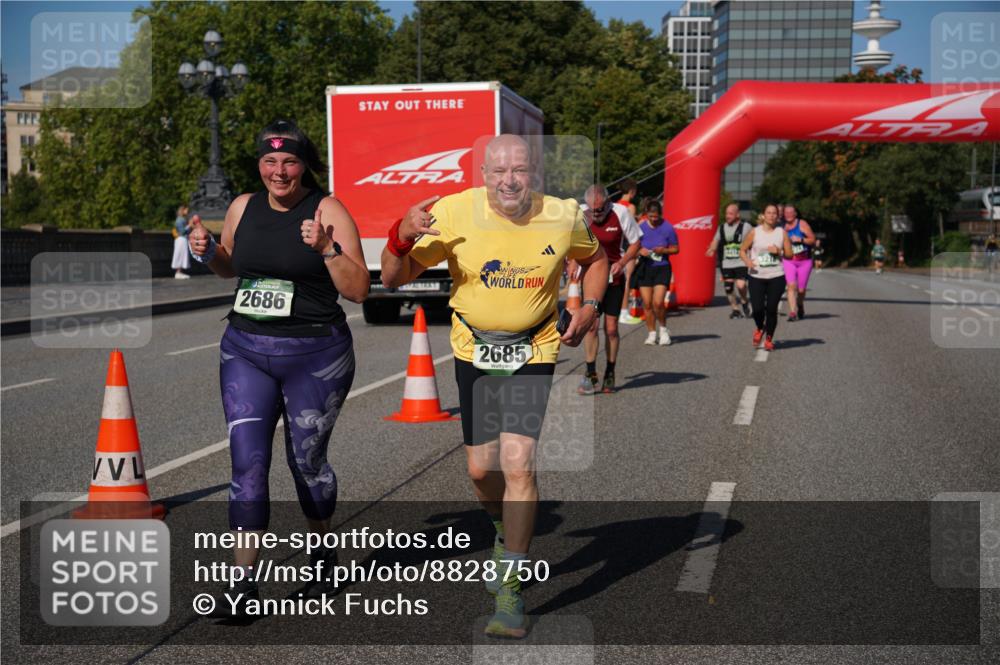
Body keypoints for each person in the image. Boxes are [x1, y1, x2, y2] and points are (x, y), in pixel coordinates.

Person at [381, 134, 607, 638]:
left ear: (535, 175)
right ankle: (505, 534)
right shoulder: (454, 213)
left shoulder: (563, 215)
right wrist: (399, 234)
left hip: (534, 346)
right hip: (474, 348)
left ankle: (511, 589)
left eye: (520, 170)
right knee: (482, 470)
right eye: (499, 170)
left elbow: (597, 260)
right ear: (483, 174)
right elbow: (393, 279)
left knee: (518, 463)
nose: (509, 180)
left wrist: (590, 308)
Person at [188, 119, 369, 617]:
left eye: (288, 160)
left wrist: (326, 249)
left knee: (306, 463)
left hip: (317, 355)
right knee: (247, 464)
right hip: (244, 349)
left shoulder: (327, 209)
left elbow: (359, 290)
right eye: (269, 161)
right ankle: (243, 586)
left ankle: (321, 548)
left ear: (304, 163)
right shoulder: (243, 206)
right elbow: (231, 266)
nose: (279, 171)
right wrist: (207, 253)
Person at [573, 184, 642, 394]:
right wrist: (573, 262)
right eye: (594, 210)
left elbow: (636, 243)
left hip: (614, 277)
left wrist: (622, 262)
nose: (597, 213)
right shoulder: (581, 214)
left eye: (600, 209)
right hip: (592, 278)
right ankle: (590, 374)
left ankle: (610, 371)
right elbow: (571, 243)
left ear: (607, 203)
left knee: (611, 328)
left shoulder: (620, 213)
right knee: (591, 326)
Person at [740, 203, 793, 351]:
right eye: (768, 213)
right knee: (757, 309)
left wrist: (779, 251)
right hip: (756, 276)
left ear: (778, 216)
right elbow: (742, 250)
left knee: (771, 309)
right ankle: (759, 328)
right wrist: (747, 261)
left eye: (774, 213)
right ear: (763, 215)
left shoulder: (781, 233)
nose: (771, 215)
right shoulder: (754, 232)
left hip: (776, 276)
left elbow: (790, 254)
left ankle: (769, 338)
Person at [634, 200, 679, 345]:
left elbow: (676, 248)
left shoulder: (668, 228)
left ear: (660, 214)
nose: (654, 219)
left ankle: (664, 330)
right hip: (645, 267)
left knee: (658, 302)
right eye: (651, 216)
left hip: (662, 267)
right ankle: (651, 333)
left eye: (656, 217)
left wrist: (664, 250)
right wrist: (640, 250)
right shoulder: (640, 227)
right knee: (647, 304)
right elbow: (633, 245)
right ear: (646, 215)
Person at [705, 202, 752, 319]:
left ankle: (745, 301)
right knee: (728, 287)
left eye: (731, 214)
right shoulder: (721, 227)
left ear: (737, 215)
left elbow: (755, 238)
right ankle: (735, 309)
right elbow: (716, 240)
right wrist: (712, 248)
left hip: (741, 261)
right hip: (727, 263)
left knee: (741, 285)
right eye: (726, 213)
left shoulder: (746, 227)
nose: (728, 216)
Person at [781, 204, 816, 321]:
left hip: (804, 261)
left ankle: (800, 305)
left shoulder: (802, 224)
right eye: (786, 212)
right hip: (789, 261)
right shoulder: (781, 227)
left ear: (795, 214)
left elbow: (813, 240)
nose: (788, 214)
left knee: (801, 290)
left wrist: (800, 239)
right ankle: (792, 312)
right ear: (783, 214)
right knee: (791, 286)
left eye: (791, 212)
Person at [172, 205, 193, 279]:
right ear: (182, 210)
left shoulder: (182, 219)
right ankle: (178, 272)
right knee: (180, 255)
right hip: (181, 239)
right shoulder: (180, 220)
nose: (187, 211)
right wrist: (189, 225)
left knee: (181, 255)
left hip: (182, 239)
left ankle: (179, 272)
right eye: (186, 210)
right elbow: (182, 231)